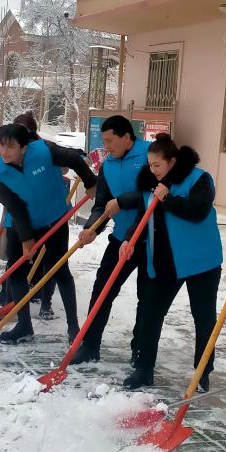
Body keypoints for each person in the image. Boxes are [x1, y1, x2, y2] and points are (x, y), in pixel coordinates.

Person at [115, 134, 222, 390]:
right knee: (150, 313)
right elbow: (142, 217)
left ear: (172, 161)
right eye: (150, 165)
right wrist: (129, 239)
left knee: (203, 317)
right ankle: (144, 370)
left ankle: (202, 373)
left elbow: (198, 211)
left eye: (158, 165)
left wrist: (168, 199)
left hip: (201, 262)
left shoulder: (199, 179)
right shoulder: (151, 185)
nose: (153, 170)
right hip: (164, 262)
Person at [0, 123, 97, 344]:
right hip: (22, 222)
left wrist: (91, 182)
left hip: (54, 219)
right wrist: (27, 238)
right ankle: (24, 326)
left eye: (10, 146)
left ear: (24, 147)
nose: (4, 151)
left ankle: (73, 327)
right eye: (1, 146)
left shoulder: (44, 151)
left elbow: (74, 159)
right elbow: (15, 206)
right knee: (16, 272)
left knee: (59, 270)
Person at [71, 115, 150, 365]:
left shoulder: (150, 155)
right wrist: (92, 228)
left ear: (126, 137)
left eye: (109, 141)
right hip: (120, 240)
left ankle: (141, 351)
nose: (106, 146)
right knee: (102, 291)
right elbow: (102, 203)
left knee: (147, 299)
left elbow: (154, 194)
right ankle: (90, 345)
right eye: (103, 141)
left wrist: (124, 201)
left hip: (151, 241)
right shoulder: (108, 166)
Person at [0, 111, 58, 319]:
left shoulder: (42, 148)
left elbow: (61, 168)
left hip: (46, 213)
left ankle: (44, 301)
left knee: (48, 258)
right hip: (17, 212)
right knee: (15, 256)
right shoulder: (8, 147)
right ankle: (9, 295)